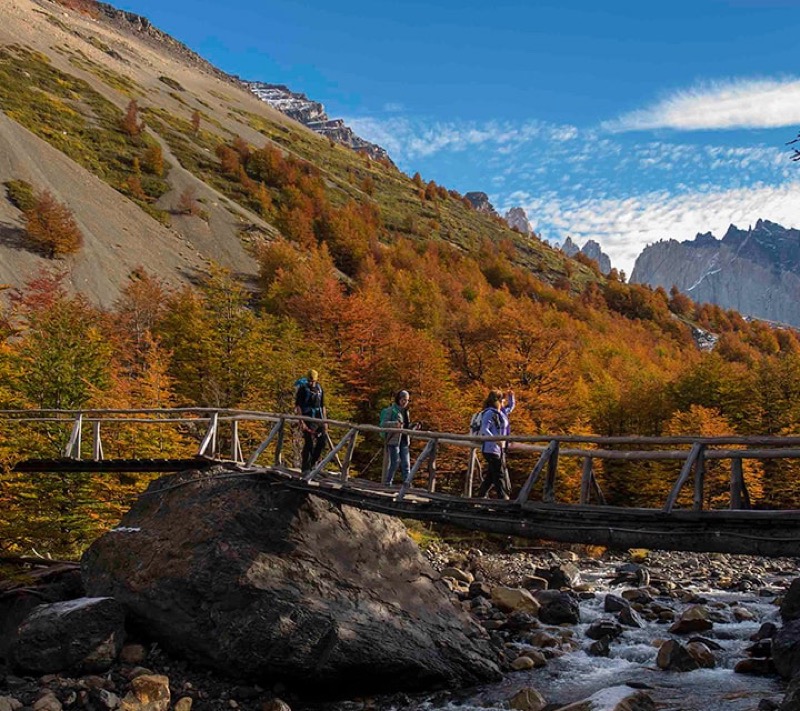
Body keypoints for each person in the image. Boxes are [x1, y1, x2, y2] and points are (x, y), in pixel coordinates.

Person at [477, 388, 515, 499]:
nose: (504, 401)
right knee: (499, 475)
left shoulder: (500, 413)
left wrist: (511, 397)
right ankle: (503, 500)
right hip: (490, 449)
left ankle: (479, 498)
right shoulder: (490, 413)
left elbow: (510, 408)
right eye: (503, 399)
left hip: (497, 449)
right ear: (497, 400)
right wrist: (495, 440)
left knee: (490, 476)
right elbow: (484, 429)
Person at [295, 369, 327, 473]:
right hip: (307, 417)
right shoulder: (303, 389)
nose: (311, 383)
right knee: (308, 443)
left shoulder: (319, 389)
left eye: (313, 381)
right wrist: (301, 421)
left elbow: (323, 406)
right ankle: (305, 468)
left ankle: (312, 464)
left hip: (318, 418)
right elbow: (298, 406)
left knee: (322, 441)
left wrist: (325, 422)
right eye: (310, 381)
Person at [381, 390, 412, 486]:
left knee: (406, 463)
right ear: (399, 399)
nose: (405, 402)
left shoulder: (406, 412)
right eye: (403, 400)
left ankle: (407, 484)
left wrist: (414, 426)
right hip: (393, 439)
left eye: (407, 400)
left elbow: (406, 426)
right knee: (395, 462)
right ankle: (388, 482)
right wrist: (395, 424)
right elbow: (383, 424)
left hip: (404, 440)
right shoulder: (391, 410)